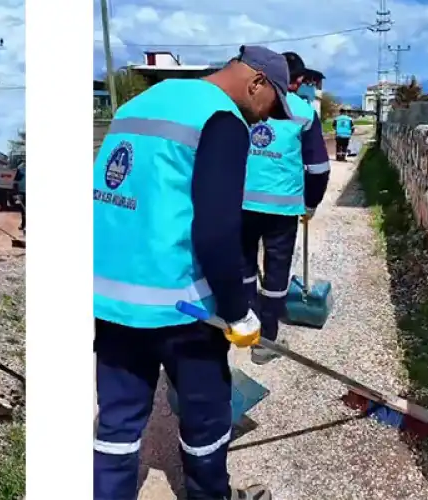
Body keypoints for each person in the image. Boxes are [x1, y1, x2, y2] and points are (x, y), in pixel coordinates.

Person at [93, 45, 294, 500]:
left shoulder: (139, 104)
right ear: (257, 83)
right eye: (273, 104)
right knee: (207, 418)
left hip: (111, 298)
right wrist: (238, 312)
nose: (268, 117)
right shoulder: (221, 119)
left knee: (117, 426)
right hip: (181, 306)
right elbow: (217, 231)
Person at [240, 52, 331, 366]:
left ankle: (244, 324)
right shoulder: (303, 111)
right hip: (282, 208)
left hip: (241, 203)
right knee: (276, 271)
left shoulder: (244, 104)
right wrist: (311, 203)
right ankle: (265, 340)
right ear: (298, 80)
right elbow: (318, 168)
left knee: (244, 266)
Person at [13, 162, 25, 231]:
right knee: (23, 210)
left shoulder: (20, 169)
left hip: (22, 192)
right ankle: (23, 225)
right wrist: (16, 193)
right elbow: (15, 182)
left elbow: (15, 182)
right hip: (22, 192)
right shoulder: (20, 169)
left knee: (24, 210)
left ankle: (23, 225)